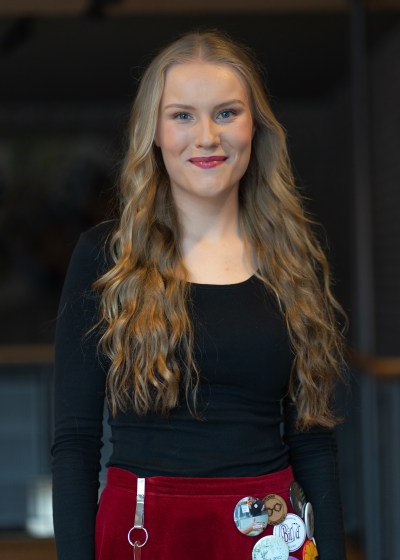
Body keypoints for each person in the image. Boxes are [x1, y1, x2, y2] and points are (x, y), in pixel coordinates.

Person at [52, 30, 347, 560]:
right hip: (144, 534)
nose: (207, 136)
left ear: (255, 126)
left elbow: (313, 438)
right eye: (183, 115)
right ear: (154, 131)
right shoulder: (105, 257)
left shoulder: (296, 256)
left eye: (227, 113)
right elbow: (75, 441)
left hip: (271, 536)